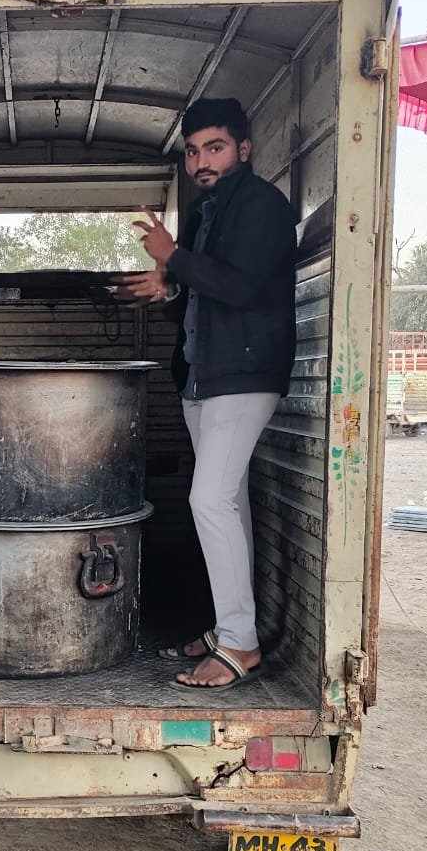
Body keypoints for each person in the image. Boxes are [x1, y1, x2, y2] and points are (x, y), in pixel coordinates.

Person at [119, 97, 298, 693]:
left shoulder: (262, 206)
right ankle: (228, 627)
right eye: (193, 152)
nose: (201, 162)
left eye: (214, 148)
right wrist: (169, 288)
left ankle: (241, 642)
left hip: (245, 374)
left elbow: (241, 288)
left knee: (209, 501)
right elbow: (202, 293)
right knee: (228, 502)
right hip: (203, 374)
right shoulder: (205, 213)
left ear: (243, 148)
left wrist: (172, 256)